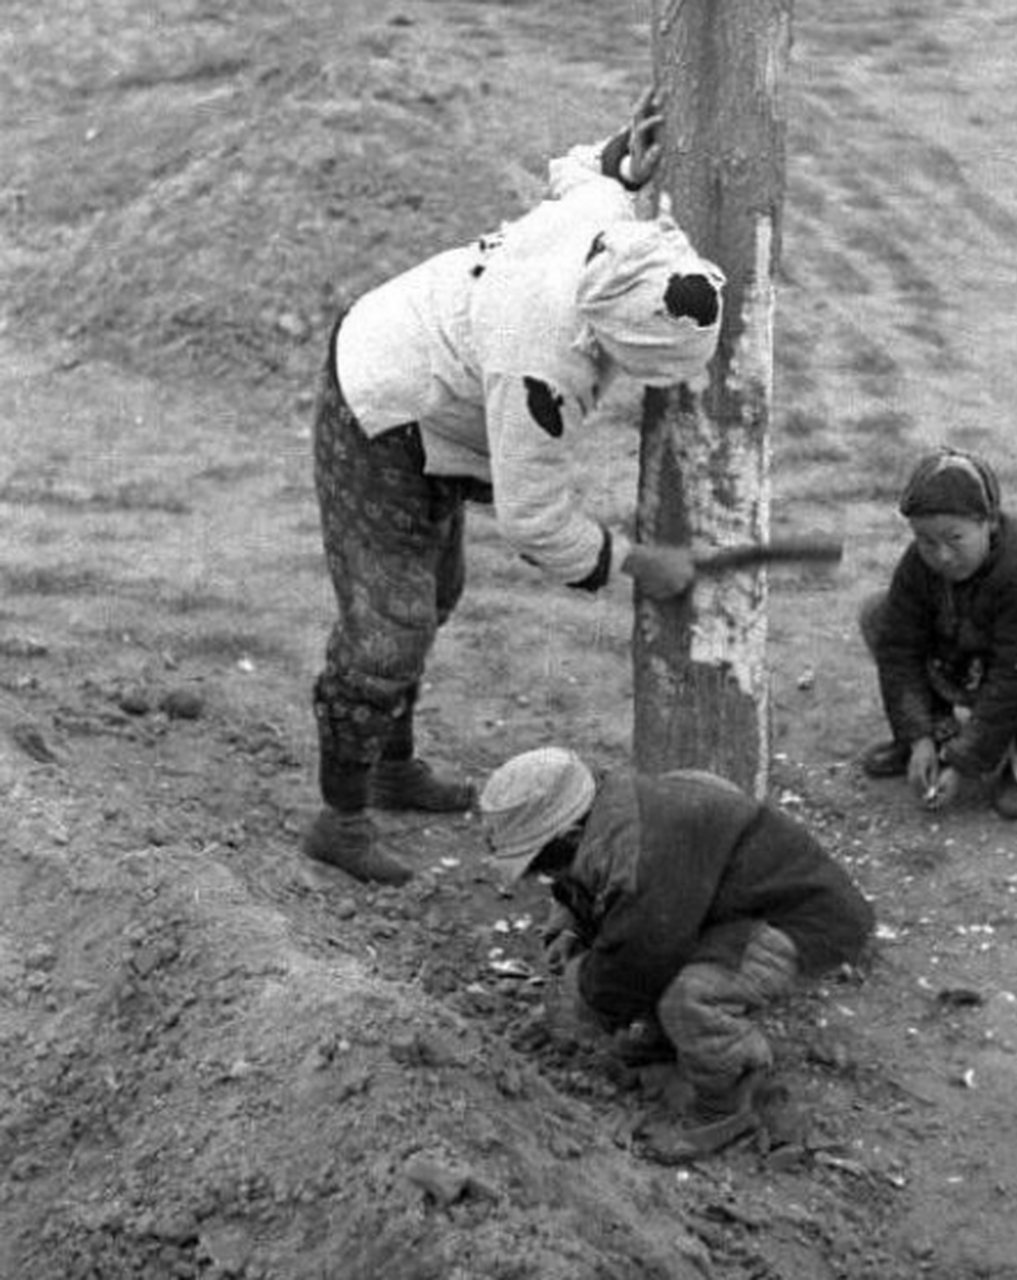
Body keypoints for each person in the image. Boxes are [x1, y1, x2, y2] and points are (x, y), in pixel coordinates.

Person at [304, 91, 726, 884]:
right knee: (388, 625)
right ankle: (341, 817)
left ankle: (393, 768)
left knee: (435, 593)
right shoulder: (540, 366)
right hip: (382, 403)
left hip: (437, 388)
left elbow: (579, 176)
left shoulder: (616, 232)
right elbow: (535, 524)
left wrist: (619, 157)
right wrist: (636, 563)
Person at [478, 747, 875, 1164]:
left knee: (688, 999)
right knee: (645, 950)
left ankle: (726, 1104)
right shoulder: (609, 811)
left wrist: (577, 998)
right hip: (726, 904)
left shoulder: (640, 851)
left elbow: (637, 959)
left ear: (570, 836)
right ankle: (671, 1041)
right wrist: (573, 926)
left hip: (803, 919)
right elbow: (595, 890)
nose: (540, 876)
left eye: (541, 862)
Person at [859, 446, 1017, 821]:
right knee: (880, 613)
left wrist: (964, 765)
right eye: (926, 541)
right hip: (976, 662)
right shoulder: (917, 566)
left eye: (954, 538)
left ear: (989, 522)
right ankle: (938, 736)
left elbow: (1015, 676)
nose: (940, 555)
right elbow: (899, 650)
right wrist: (918, 737)